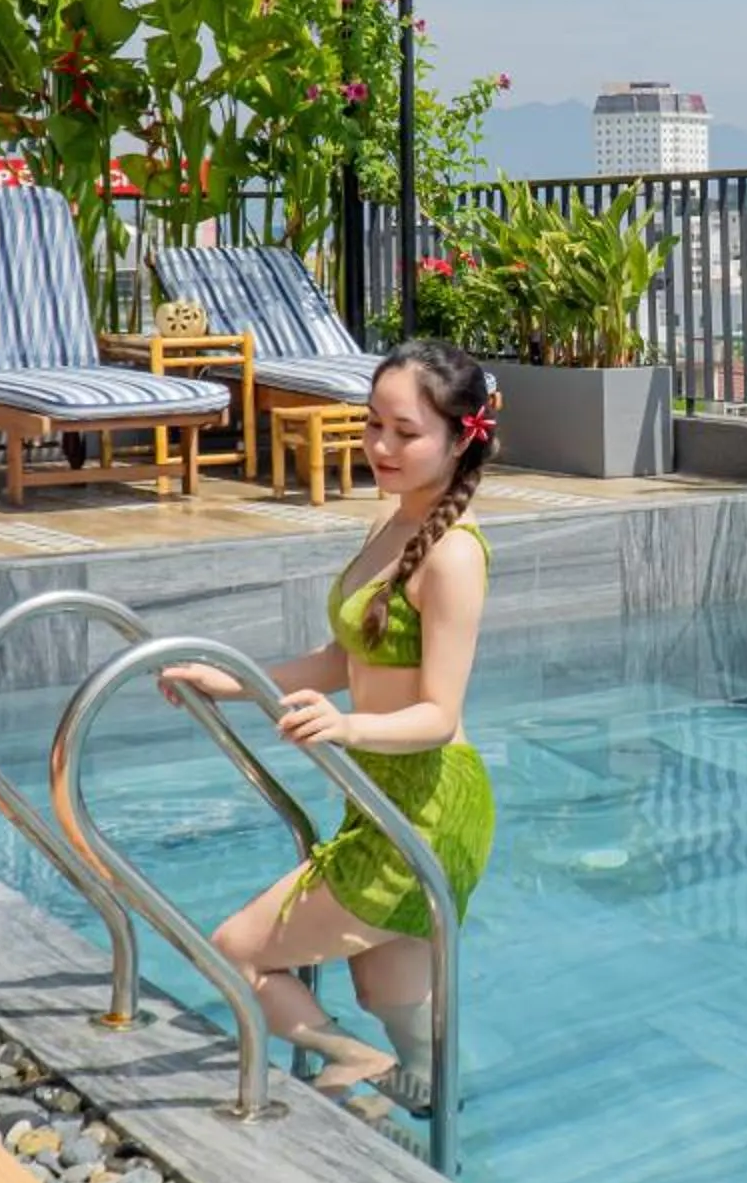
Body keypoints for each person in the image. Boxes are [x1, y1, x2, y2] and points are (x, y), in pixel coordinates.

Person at [160, 340, 497, 1112]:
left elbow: (439, 716)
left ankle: (357, 1066)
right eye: (373, 423)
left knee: (237, 953)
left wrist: (346, 731)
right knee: (388, 993)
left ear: (459, 437)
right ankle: (426, 1120)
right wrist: (235, 681)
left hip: (428, 806)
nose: (381, 446)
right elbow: (347, 659)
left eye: (405, 432)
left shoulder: (453, 558)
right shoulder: (394, 518)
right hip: (378, 794)